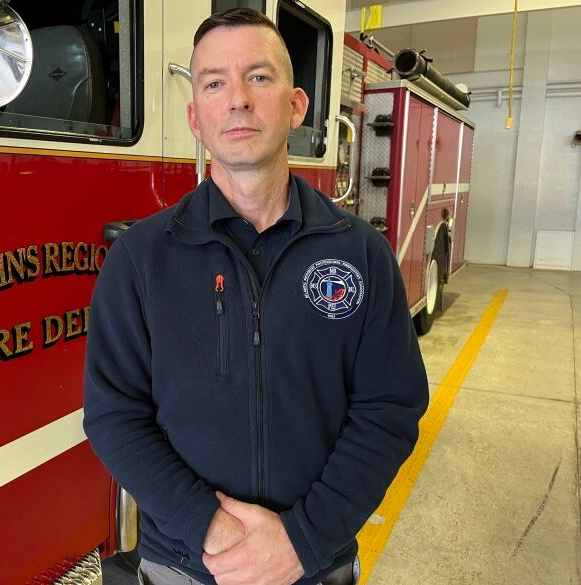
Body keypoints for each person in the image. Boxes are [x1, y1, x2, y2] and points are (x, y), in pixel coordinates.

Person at [83, 8, 428, 585]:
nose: (237, 99)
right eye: (215, 83)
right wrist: (212, 530)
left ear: (297, 106)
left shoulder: (360, 255)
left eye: (259, 77)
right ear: (196, 117)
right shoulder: (139, 261)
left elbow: (389, 411)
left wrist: (302, 540)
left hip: (316, 566)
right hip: (185, 565)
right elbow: (115, 416)